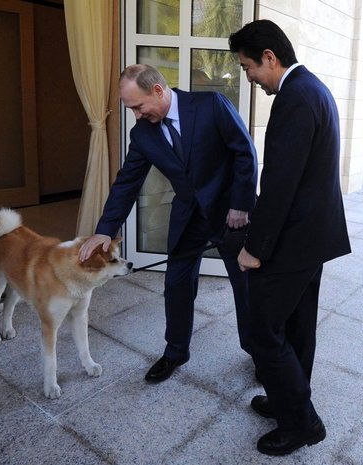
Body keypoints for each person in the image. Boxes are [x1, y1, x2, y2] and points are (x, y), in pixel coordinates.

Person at [78, 64, 258, 383]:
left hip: (230, 214)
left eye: (138, 106)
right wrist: (106, 228)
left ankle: (260, 353)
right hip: (189, 217)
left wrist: (241, 205)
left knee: (247, 288)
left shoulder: (211, 106)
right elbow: (127, 182)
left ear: (158, 91)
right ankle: (175, 351)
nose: (136, 115)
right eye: (130, 108)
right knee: (175, 284)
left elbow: (245, 152)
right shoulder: (143, 134)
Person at [229, 20, 351, 456]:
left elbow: (280, 184)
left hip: (293, 239)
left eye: (248, 68)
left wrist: (253, 249)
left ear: (269, 57)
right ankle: (288, 400)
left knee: (264, 332)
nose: (248, 78)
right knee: (297, 328)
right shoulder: (311, 88)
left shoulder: (295, 98)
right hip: (311, 237)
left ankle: (302, 423)